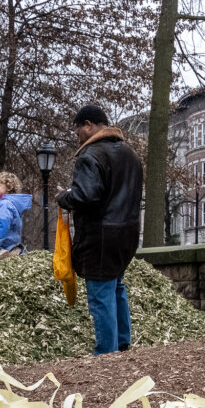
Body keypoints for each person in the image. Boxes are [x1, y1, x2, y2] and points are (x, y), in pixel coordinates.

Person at [56, 104, 143, 355]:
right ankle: (122, 344)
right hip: (127, 233)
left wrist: (64, 197)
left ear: (88, 125)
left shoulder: (91, 155)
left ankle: (106, 353)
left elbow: (87, 196)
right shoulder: (130, 154)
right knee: (116, 286)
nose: (77, 136)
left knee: (101, 294)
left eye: (77, 130)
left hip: (101, 237)